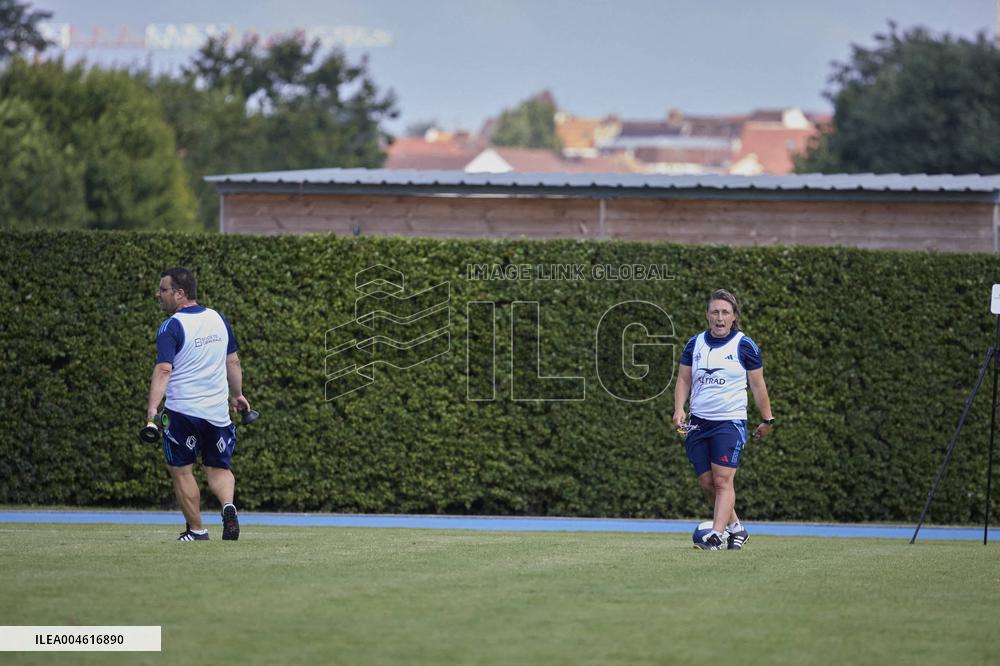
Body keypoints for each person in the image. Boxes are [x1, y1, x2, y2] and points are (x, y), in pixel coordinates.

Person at [146, 267, 250, 541]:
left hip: (182, 412)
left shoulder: (171, 325)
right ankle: (228, 506)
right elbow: (233, 362)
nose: (159, 295)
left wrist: (152, 409)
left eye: (164, 290)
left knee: (181, 470)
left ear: (180, 293)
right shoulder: (218, 319)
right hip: (217, 414)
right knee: (218, 468)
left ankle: (197, 530)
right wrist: (237, 395)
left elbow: (164, 370)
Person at [673, 289, 773, 551]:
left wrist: (767, 419)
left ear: (734, 317)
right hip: (698, 422)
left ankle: (716, 537)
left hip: (730, 422)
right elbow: (684, 378)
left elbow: (758, 386)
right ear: (707, 315)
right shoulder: (694, 344)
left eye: (725, 312)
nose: (719, 317)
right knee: (707, 483)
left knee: (722, 481)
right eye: (715, 312)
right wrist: (678, 408)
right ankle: (737, 528)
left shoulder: (744, 345)